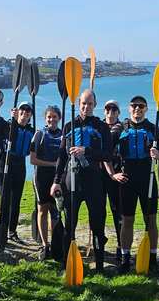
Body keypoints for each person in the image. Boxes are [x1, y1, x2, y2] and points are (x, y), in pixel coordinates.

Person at [51, 88, 114, 273]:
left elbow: (109, 154)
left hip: (95, 181)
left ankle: (100, 266)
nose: (86, 106)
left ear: (95, 105)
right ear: (78, 103)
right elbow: (62, 156)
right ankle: (66, 263)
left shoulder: (102, 127)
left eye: (90, 103)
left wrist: (87, 151)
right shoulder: (69, 126)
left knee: (97, 224)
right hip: (73, 181)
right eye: (83, 103)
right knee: (69, 224)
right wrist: (56, 181)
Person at [110, 95, 159, 274]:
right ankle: (125, 260)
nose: (137, 109)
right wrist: (113, 174)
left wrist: (158, 156)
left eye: (141, 106)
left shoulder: (153, 129)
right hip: (127, 178)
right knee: (127, 221)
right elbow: (105, 152)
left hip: (148, 178)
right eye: (134, 105)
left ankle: (152, 259)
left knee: (150, 220)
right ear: (129, 108)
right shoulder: (120, 129)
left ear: (146, 109)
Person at [0, 101, 34, 244]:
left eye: (28, 110)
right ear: (17, 111)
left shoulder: (31, 131)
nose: (25, 112)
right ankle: (2, 230)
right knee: (4, 198)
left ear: (30, 114)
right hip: (5, 163)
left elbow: (33, 149)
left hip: (20, 164)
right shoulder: (8, 125)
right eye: (22, 109)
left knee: (16, 199)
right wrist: (12, 119)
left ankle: (12, 232)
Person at [30, 105, 63, 259]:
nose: (52, 120)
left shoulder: (64, 136)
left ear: (59, 118)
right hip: (41, 177)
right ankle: (45, 245)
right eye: (49, 117)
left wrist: (61, 172)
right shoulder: (39, 135)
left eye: (54, 117)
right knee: (42, 210)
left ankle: (56, 243)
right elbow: (32, 160)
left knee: (55, 211)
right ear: (45, 118)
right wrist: (54, 164)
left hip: (57, 178)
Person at [101, 99, 123, 260]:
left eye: (114, 108)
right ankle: (99, 242)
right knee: (99, 210)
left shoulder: (123, 127)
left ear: (118, 112)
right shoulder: (97, 126)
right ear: (104, 111)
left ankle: (121, 245)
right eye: (108, 108)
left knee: (117, 211)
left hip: (117, 174)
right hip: (100, 174)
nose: (111, 111)